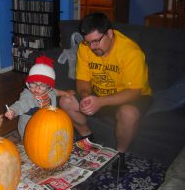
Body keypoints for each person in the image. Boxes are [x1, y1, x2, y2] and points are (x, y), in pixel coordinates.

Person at [59, 12, 152, 175]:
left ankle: (120, 155)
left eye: (96, 41)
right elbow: (82, 80)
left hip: (131, 95)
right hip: (99, 93)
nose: (93, 47)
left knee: (128, 114)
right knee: (65, 102)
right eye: (89, 42)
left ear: (110, 33)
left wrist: (100, 102)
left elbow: (134, 92)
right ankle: (88, 139)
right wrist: (86, 95)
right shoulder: (85, 47)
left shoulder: (131, 52)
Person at [5, 55, 75, 139]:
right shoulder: (28, 96)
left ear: (49, 87)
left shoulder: (50, 92)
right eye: (33, 83)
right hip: (30, 130)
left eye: (42, 85)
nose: (37, 88)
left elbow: (56, 92)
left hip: (46, 124)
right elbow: (21, 104)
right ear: (28, 83)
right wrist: (13, 111)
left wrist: (65, 93)